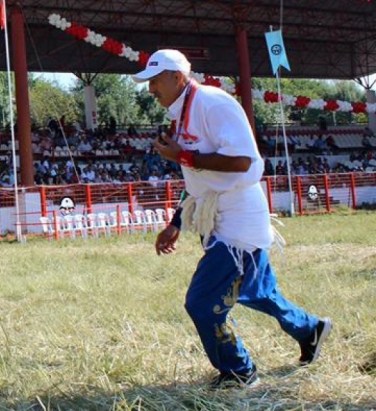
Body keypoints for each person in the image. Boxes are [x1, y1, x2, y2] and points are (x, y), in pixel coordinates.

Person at [136, 50, 331, 389]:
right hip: (222, 211)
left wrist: (181, 154)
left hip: (237, 217)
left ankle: (240, 372)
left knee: (201, 302)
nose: (151, 89)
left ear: (177, 77)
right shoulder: (182, 113)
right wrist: (176, 223)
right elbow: (197, 181)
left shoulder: (213, 104)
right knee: (257, 291)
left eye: (155, 80)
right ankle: (310, 328)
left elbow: (242, 162)